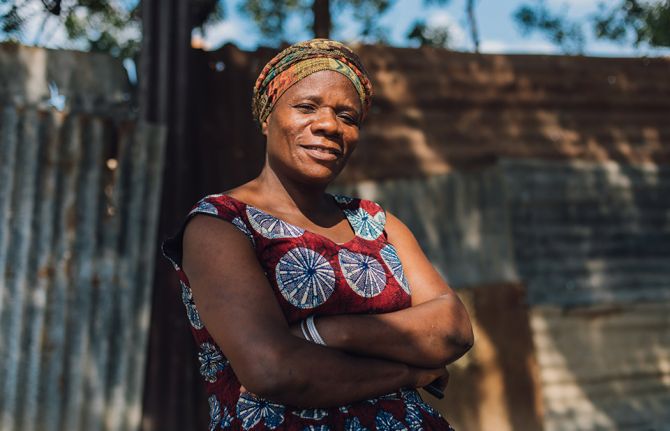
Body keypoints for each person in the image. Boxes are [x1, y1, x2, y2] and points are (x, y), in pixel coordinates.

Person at [162, 38, 473, 431]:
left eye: (348, 116)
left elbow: (454, 328)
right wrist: (410, 374)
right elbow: (273, 369)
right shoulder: (221, 224)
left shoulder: (376, 222)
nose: (329, 125)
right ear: (266, 117)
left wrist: (324, 332)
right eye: (307, 107)